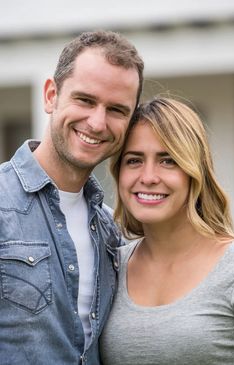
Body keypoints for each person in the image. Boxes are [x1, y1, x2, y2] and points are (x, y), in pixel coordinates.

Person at [101, 97, 234, 364]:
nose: (147, 177)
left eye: (168, 160)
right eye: (134, 160)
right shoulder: (110, 267)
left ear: (195, 171)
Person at [0, 30, 144, 364]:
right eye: (85, 100)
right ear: (51, 95)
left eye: (116, 110)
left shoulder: (112, 231)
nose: (97, 122)